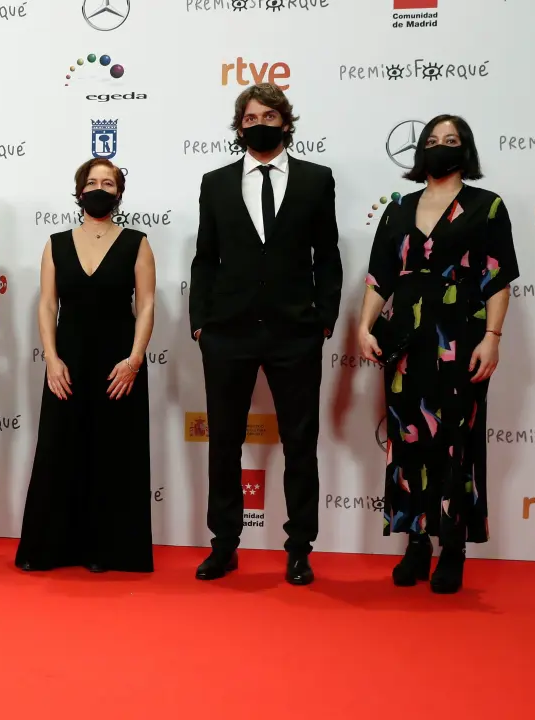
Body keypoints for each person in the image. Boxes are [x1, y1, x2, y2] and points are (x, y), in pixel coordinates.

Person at [189, 83, 342, 585]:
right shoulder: (215, 183)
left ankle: (299, 549)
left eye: (269, 116)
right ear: (239, 127)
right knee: (223, 442)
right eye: (251, 118)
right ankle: (224, 545)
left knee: (300, 443)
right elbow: (205, 258)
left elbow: (328, 256)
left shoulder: (316, 179)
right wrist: (200, 322)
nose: (260, 124)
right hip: (227, 332)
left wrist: (324, 318)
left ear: (286, 123)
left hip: (295, 332)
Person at [358, 115, 516, 594]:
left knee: (455, 439)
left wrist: (492, 336)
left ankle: (452, 546)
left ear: (465, 150)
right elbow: (379, 277)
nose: (440, 146)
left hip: (460, 338)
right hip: (405, 340)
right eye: (432, 140)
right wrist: (364, 326)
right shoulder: (398, 208)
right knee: (408, 439)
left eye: (451, 140)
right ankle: (416, 543)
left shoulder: (487, 206)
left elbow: (497, 278)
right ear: (420, 151)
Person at [16, 158, 154, 574]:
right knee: (61, 452)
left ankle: (108, 550)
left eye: (108, 183)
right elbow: (47, 304)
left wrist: (134, 360)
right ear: (79, 192)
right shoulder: (56, 243)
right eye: (92, 182)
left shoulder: (137, 243)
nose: (99, 189)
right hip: (68, 362)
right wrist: (51, 359)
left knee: (115, 455)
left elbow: (146, 305)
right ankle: (54, 549)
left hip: (119, 365)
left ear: (119, 193)